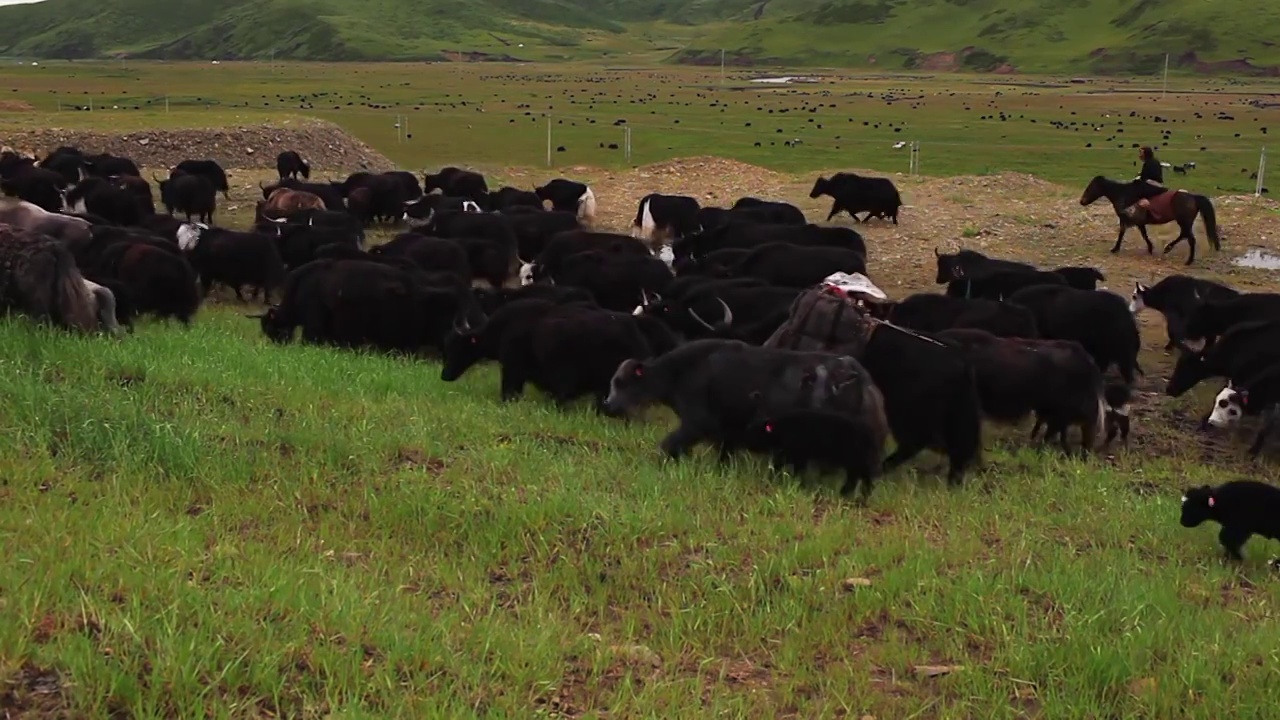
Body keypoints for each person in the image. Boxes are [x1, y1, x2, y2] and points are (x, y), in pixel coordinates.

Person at [1128, 146, 1167, 216]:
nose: (1139, 155)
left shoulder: (1148, 163)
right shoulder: (1154, 161)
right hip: (1157, 182)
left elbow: (1144, 177)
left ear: (1146, 154)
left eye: (1141, 153)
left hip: (1152, 183)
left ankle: (1138, 209)